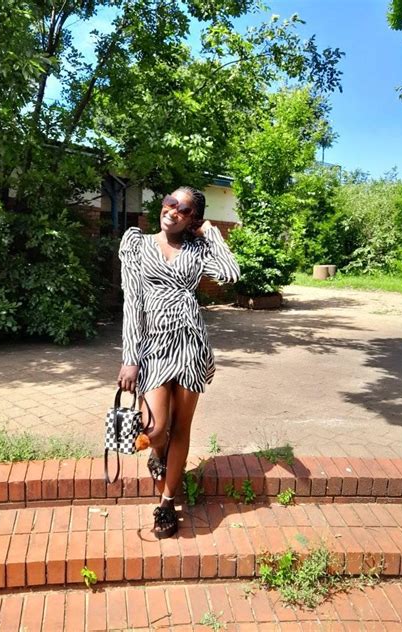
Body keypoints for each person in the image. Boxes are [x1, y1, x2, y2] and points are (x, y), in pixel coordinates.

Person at [117, 186, 240, 539]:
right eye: (169, 203)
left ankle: (167, 502)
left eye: (183, 209)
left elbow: (230, 274)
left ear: (193, 219)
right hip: (153, 345)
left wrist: (209, 231)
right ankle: (158, 454)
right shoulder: (137, 243)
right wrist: (130, 358)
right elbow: (132, 304)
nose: (171, 210)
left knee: (181, 427)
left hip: (190, 343)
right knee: (155, 428)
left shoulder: (198, 248)